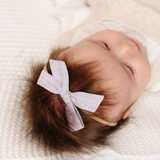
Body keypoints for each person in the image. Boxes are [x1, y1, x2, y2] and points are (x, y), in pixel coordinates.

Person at [23, 21, 152, 155]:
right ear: (128, 109)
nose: (126, 47)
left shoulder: (82, 22)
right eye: (129, 68)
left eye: (105, 45)